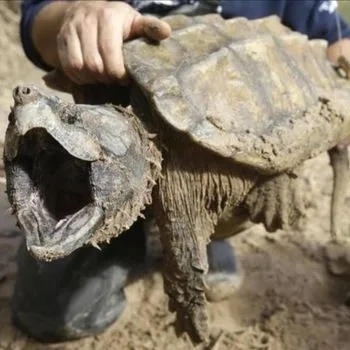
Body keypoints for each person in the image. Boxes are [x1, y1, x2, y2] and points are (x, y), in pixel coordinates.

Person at [16, 0, 350, 343]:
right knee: (50, 310)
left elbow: (335, 38)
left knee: (193, 223)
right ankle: (126, 226)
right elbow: (36, 19)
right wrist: (75, 14)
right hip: (115, 104)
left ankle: (214, 226)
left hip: (232, 149)